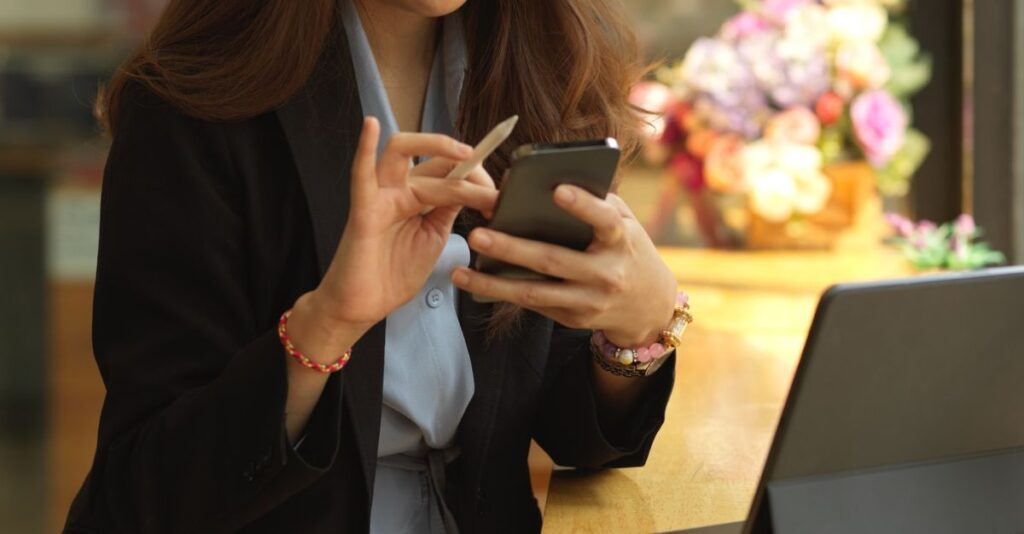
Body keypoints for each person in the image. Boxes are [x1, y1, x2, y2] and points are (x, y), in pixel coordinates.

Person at [64, 1, 687, 532]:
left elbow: (572, 435)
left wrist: (641, 331)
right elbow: (139, 496)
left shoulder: (540, 70)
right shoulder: (191, 105)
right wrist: (327, 324)